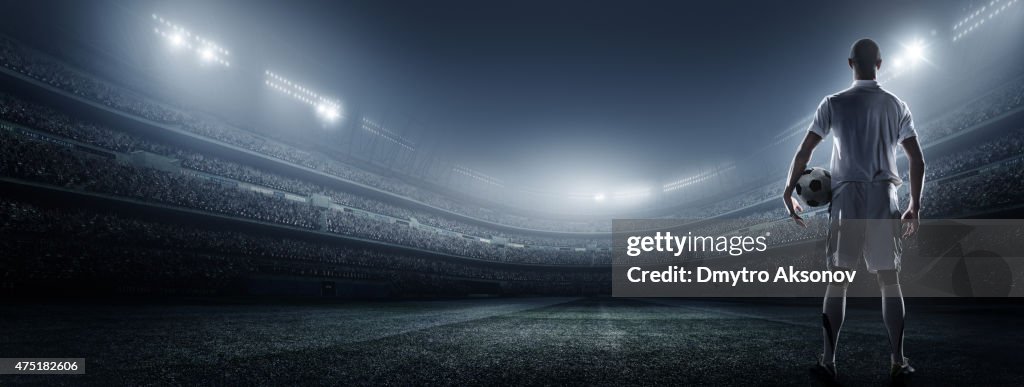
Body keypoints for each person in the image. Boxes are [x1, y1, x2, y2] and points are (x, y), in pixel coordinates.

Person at [782, 38, 926, 382]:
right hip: (883, 194)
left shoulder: (833, 103)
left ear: (850, 64)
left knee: (838, 280)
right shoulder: (896, 105)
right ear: (880, 62)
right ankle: (898, 360)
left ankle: (829, 361)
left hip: (845, 197)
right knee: (889, 280)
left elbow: (804, 152)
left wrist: (788, 191)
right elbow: (917, 159)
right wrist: (915, 205)